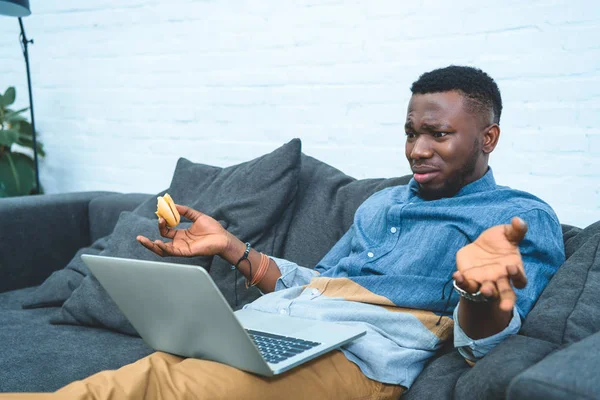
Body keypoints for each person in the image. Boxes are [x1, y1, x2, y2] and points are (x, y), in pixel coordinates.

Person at [8, 66, 565, 399]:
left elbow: (484, 343)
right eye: (411, 132)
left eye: (438, 134)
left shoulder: (518, 217)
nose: (417, 150)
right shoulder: (383, 202)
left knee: (175, 392)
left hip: (358, 355)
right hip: (280, 325)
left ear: (488, 137)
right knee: (114, 385)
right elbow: (320, 281)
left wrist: (479, 295)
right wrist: (232, 248)